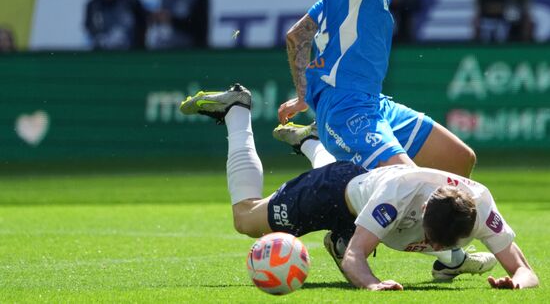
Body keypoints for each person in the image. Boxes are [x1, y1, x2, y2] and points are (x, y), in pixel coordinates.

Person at [180, 84, 539, 290]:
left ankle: (311, 142)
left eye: (439, 245)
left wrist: (516, 283)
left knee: (359, 214)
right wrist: (372, 284)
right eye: (431, 240)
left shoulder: (480, 204)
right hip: (333, 192)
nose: (429, 245)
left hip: (364, 187)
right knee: (245, 219)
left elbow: (526, 271)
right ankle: (237, 111)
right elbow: (356, 256)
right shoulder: (400, 192)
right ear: (425, 209)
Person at [278, 0, 476, 178]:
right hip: (347, 107)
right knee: (406, 182)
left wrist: (303, 96)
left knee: (459, 160)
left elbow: (297, 36)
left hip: (373, 103)